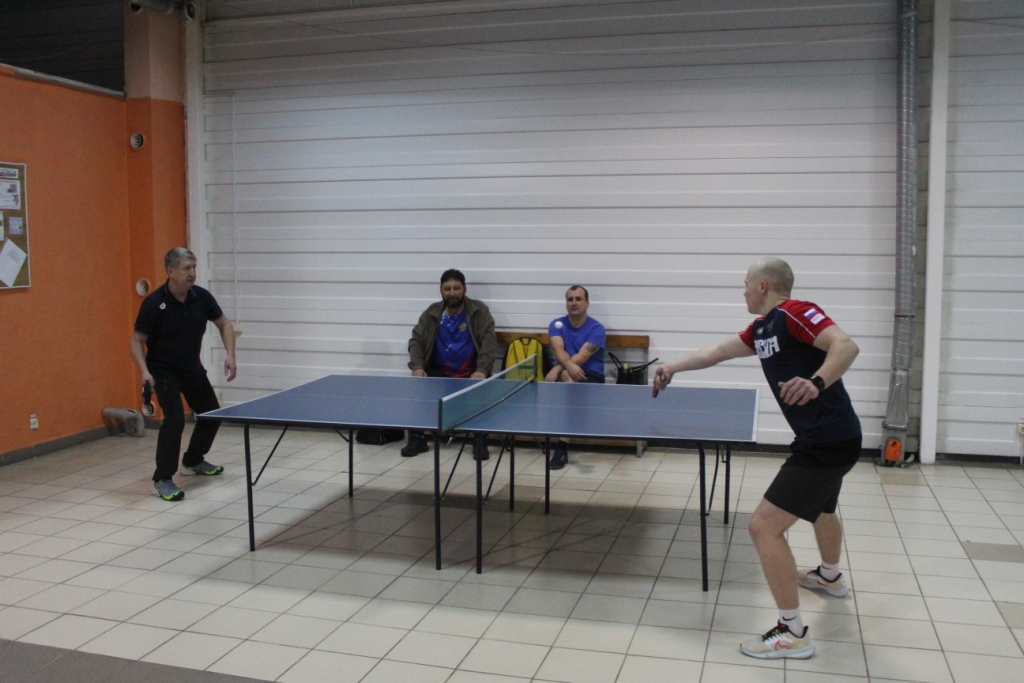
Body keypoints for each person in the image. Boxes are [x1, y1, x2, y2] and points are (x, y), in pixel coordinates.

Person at [653, 257, 861, 660]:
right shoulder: (764, 328)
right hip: (832, 436)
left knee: (763, 527)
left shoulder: (795, 312)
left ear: (764, 285)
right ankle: (830, 577)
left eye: (746, 283)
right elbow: (717, 351)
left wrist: (817, 382)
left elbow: (846, 345)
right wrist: (672, 366)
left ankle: (792, 633)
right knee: (822, 509)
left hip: (826, 442)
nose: (744, 291)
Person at [130, 247, 236, 502]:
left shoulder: (201, 297)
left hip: (190, 366)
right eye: (186, 268)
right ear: (170, 271)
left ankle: (192, 461)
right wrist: (145, 372)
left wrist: (230, 354)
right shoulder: (154, 304)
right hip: (162, 369)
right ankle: (162, 479)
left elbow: (224, 324)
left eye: (194, 267)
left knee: (211, 414)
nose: (192, 273)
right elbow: (136, 341)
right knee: (175, 420)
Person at [403, 269, 497, 459]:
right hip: (440, 373)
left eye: (456, 288)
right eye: (447, 289)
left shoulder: (479, 311)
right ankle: (417, 438)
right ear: (441, 290)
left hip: (471, 373)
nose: (452, 293)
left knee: (484, 386)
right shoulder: (431, 313)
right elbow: (416, 341)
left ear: (464, 289)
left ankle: (479, 439)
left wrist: (482, 369)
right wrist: (418, 366)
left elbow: (489, 342)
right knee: (419, 385)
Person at [545, 285, 606, 470]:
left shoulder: (597, 328)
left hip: (592, 376)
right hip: (569, 378)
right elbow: (558, 349)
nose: (574, 303)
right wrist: (566, 367)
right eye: (570, 299)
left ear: (587, 303)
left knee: (565, 374)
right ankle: (562, 446)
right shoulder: (556, 324)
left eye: (578, 299)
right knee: (567, 377)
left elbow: (583, 356)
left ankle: (561, 448)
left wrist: (558, 367)